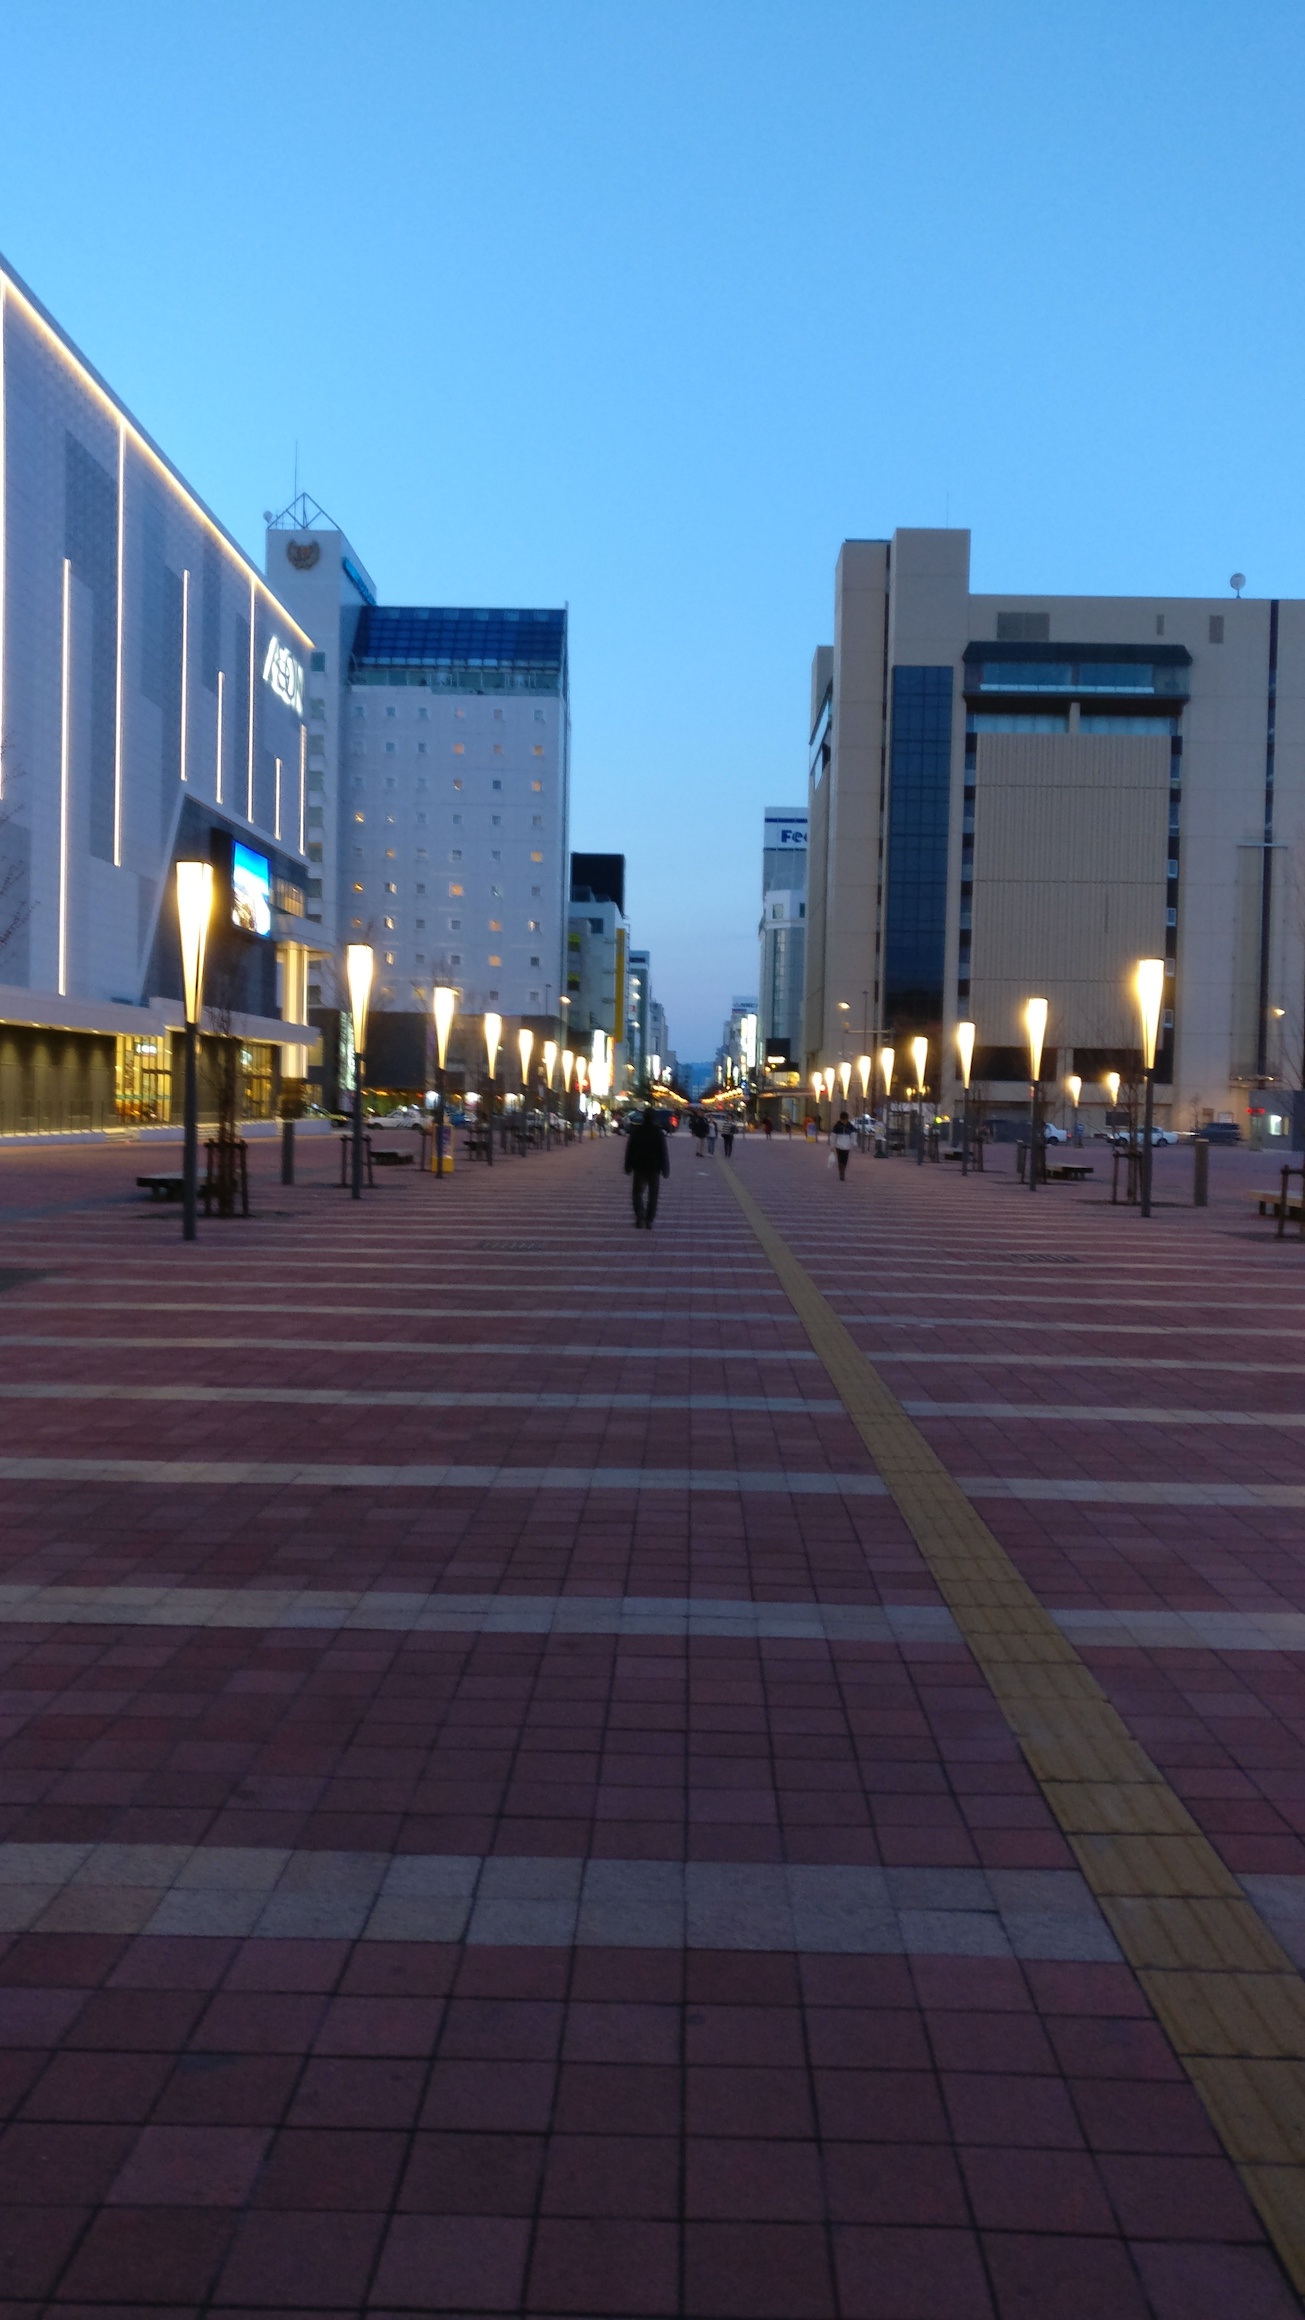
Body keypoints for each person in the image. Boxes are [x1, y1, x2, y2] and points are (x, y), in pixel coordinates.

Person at [625, 1103, 670, 1228]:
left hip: (639, 1166)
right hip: (654, 1168)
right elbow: (663, 1152)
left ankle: (640, 1216)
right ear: (655, 1118)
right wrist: (665, 1168)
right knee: (653, 1195)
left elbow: (630, 1149)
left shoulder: (637, 1131)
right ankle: (649, 1220)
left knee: (637, 1193)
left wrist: (627, 1165)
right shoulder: (658, 1133)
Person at [831, 1109, 854, 1180]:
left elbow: (853, 1136)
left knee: (845, 1160)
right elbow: (833, 1137)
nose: (844, 1121)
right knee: (840, 1160)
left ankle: (843, 1170)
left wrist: (852, 1144)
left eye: (845, 1120)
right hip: (839, 1146)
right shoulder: (837, 1126)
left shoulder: (850, 1126)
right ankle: (841, 1172)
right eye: (843, 1120)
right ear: (841, 1119)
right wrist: (832, 1146)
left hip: (847, 1146)